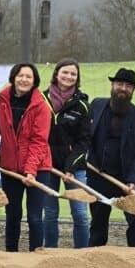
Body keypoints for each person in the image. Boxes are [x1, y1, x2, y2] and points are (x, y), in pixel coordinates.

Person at [87, 68, 135, 247]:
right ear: (112, 85)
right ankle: (95, 257)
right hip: (99, 176)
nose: (123, 88)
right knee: (98, 223)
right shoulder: (96, 105)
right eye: (119, 84)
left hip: (128, 180)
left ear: (133, 90)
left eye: (128, 86)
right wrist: (89, 160)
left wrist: (133, 181)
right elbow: (87, 138)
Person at [0, 63, 53, 252]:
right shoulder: (1, 100)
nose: (24, 80)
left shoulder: (41, 105)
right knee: (13, 214)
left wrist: (31, 170)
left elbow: (39, 140)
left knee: (35, 216)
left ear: (34, 81)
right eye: (20, 75)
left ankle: (36, 255)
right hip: (9, 168)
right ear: (13, 77)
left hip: (38, 168)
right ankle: (11, 255)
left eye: (29, 77)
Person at [42, 58, 92, 248]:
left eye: (73, 74)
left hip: (74, 167)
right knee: (50, 213)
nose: (68, 76)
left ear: (77, 78)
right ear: (56, 73)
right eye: (65, 72)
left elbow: (84, 141)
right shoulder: (41, 99)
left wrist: (71, 167)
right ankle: (50, 252)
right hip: (47, 166)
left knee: (80, 213)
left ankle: (82, 253)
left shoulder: (82, 106)